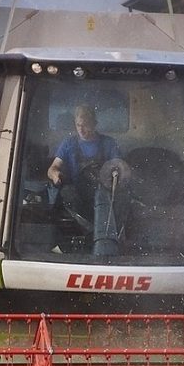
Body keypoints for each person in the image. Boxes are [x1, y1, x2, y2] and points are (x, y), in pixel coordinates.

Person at [46, 105, 130, 256]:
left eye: (85, 125)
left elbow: (120, 167)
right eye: (78, 125)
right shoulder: (68, 143)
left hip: (106, 195)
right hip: (78, 196)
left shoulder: (109, 143)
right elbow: (53, 168)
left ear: (94, 124)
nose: (81, 129)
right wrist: (55, 174)